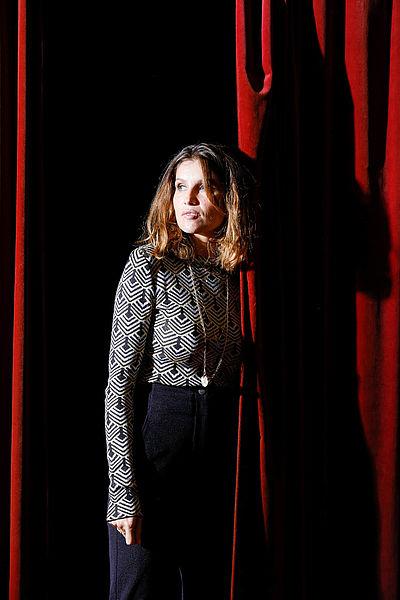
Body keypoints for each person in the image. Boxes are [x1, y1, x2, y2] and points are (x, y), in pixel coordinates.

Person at [104, 142, 257, 599]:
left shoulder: (242, 273)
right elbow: (120, 384)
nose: (188, 201)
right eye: (180, 187)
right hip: (159, 438)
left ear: (227, 200)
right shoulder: (148, 264)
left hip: (220, 443)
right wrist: (124, 491)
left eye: (204, 189)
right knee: (138, 589)